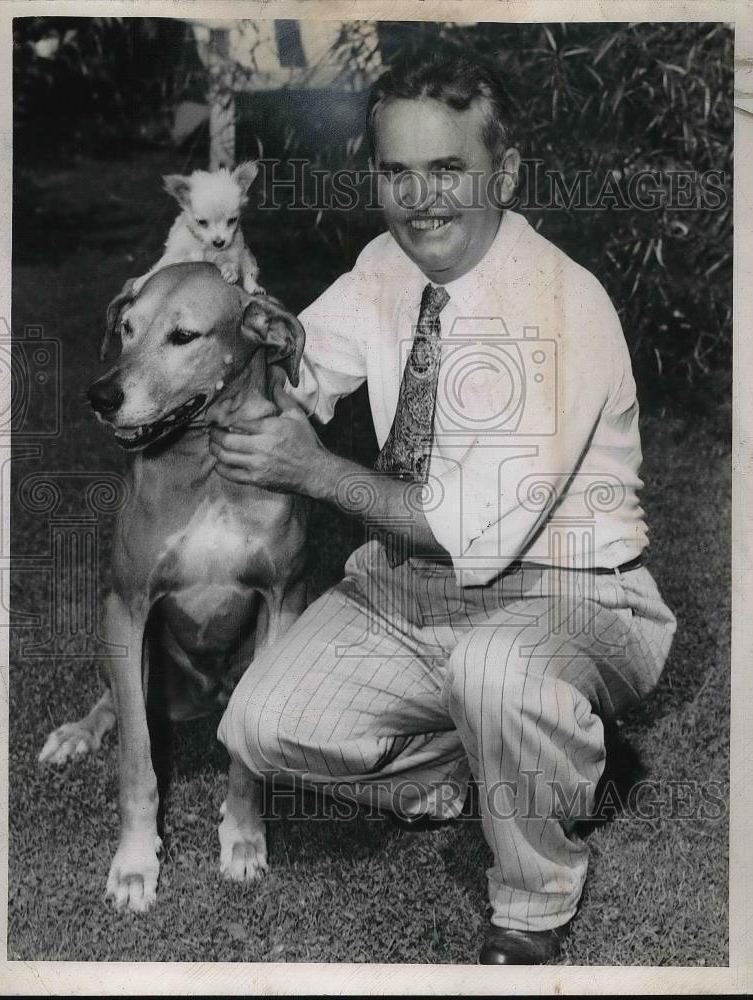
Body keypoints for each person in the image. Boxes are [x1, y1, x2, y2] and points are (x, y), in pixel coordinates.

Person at [209, 53, 677, 965]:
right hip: (417, 590)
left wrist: (311, 471)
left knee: (497, 668)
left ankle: (533, 900)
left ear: (501, 173)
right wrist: (242, 345)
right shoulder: (388, 263)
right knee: (259, 725)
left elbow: (475, 527)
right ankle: (543, 758)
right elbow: (307, 366)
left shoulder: (556, 306)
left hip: (575, 592)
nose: (419, 200)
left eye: (446, 171)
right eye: (395, 173)